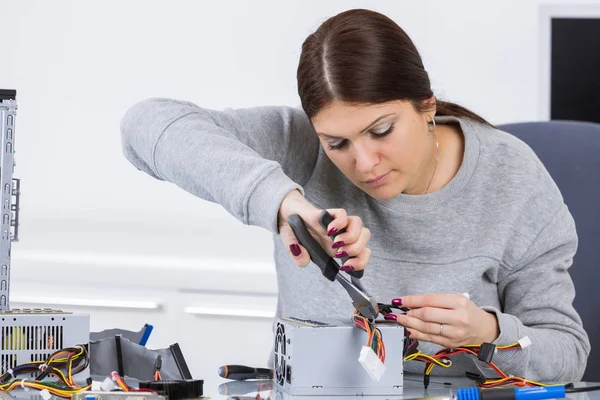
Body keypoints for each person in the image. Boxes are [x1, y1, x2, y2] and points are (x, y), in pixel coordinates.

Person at [120, 9, 589, 381]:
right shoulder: (299, 147)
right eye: (337, 143)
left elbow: (567, 353)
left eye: (381, 130)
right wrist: (283, 203)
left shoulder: (514, 179)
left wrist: (486, 332)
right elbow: (146, 125)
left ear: (426, 105)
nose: (364, 164)